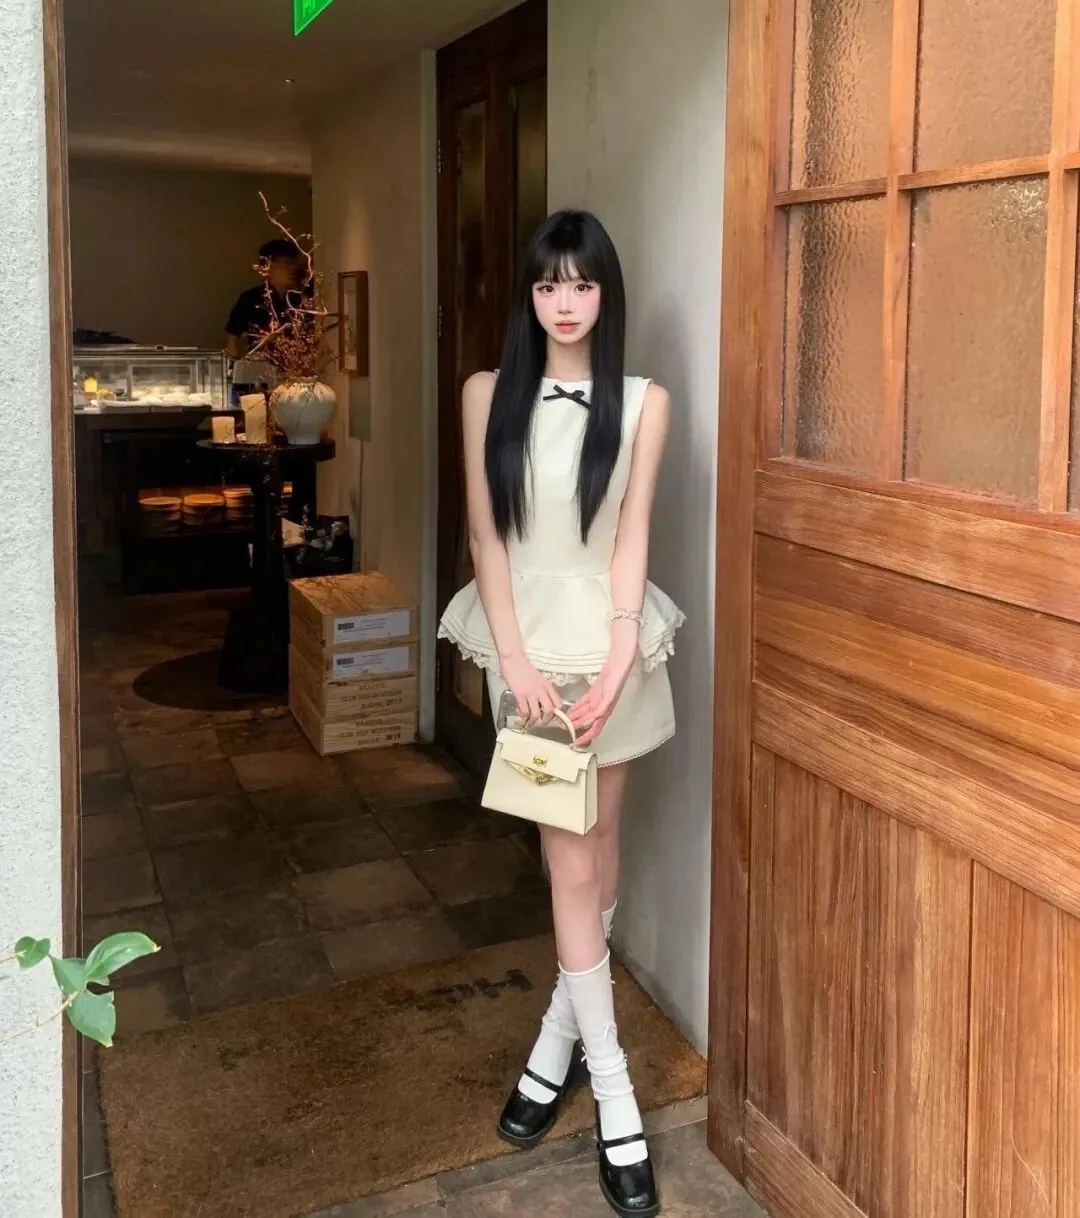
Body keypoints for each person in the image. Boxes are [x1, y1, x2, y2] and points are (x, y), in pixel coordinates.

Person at [438, 210, 684, 1217]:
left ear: (605, 294)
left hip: (613, 651)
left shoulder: (645, 401)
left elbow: (631, 534)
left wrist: (622, 648)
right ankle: (614, 1092)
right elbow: (485, 538)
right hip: (531, 658)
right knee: (570, 862)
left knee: (601, 845)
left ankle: (553, 1045)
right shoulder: (485, 392)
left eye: (582, 284)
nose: (565, 302)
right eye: (548, 285)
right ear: (530, 297)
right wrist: (517, 663)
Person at [223, 238, 305, 358]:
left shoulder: (300, 300)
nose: (291, 269)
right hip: (260, 365)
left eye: (293, 264)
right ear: (267, 266)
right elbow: (231, 341)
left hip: (297, 365)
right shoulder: (250, 299)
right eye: (285, 263)